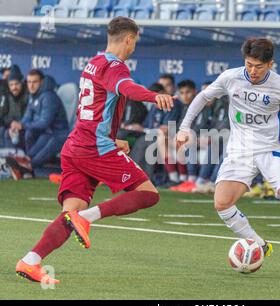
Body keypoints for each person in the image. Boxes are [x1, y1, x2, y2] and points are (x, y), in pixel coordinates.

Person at [16, 17, 175, 284]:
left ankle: (30, 260)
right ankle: (87, 218)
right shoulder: (116, 66)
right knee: (148, 194)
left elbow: (95, 109)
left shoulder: (94, 62)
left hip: (77, 144)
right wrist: (153, 96)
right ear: (129, 39)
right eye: (134, 42)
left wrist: (113, 138)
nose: (134, 47)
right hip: (93, 148)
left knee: (69, 214)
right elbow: (126, 87)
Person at [176, 37, 280, 279]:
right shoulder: (231, 77)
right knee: (221, 203)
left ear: (270, 64)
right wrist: (184, 127)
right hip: (239, 151)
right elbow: (202, 97)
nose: (252, 70)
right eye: (249, 64)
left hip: (269, 150)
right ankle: (259, 244)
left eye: (258, 66)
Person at [5, 71, 68, 172]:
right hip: (47, 134)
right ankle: (21, 166)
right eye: (29, 82)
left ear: (41, 82)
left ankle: (25, 169)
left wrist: (23, 126)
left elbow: (45, 122)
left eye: (35, 82)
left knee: (33, 162)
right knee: (29, 156)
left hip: (60, 135)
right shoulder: (33, 95)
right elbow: (27, 116)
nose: (31, 85)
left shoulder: (49, 97)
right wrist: (17, 126)